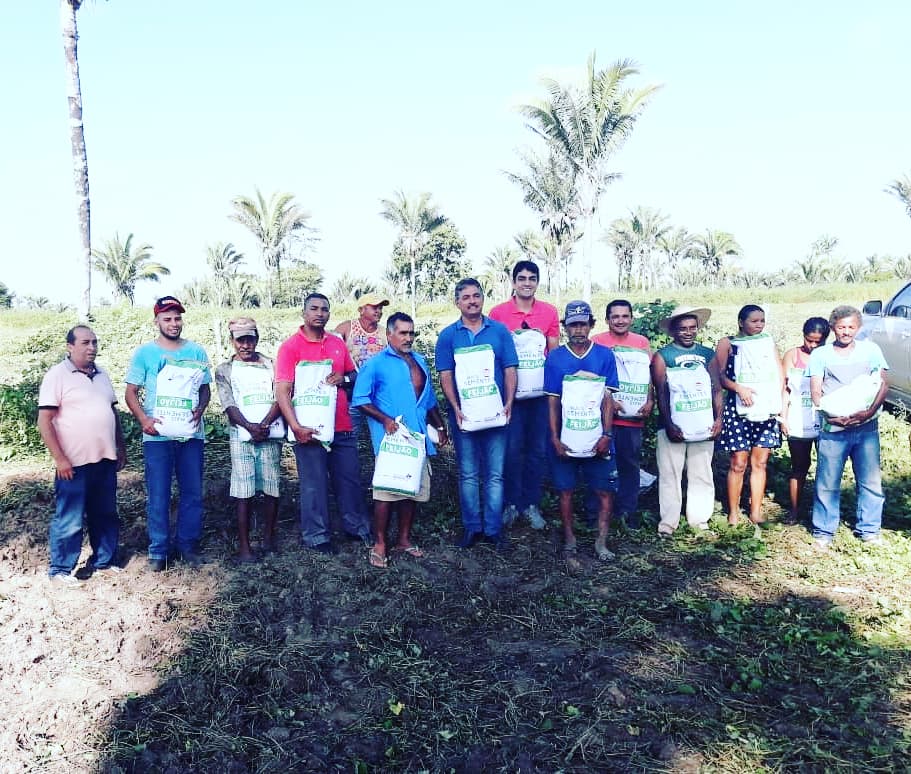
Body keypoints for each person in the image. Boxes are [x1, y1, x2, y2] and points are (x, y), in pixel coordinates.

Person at [275, 292, 371, 554]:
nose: (319, 313)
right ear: (304, 313)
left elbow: (352, 375)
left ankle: (356, 528)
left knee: (349, 480)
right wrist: (295, 427)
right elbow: (283, 391)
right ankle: (317, 537)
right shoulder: (290, 347)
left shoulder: (337, 343)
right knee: (313, 484)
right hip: (308, 428)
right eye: (314, 309)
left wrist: (345, 380)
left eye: (324, 309)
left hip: (341, 424)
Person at [352, 312, 449, 568]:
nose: (408, 338)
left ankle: (404, 539)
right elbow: (360, 399)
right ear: (389, 334)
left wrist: (440, 426)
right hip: (392, 439)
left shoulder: (419, 360)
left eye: (411, 333)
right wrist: (384, 420)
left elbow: (428, 401)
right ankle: (380, 543)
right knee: (386, 492)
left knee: (412, 490)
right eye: (403, 333)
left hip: (417, 437)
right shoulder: (375, 364)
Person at [125, 296, 211, 571]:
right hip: (157, 437)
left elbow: (205, 388)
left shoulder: (196, 352)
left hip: (190, 436)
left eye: (177, 318)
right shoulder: (144, 354)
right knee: (159, 494)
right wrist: (144, 420)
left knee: (192, 492)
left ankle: (187, 546)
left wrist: (201, 408)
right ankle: (158, 552)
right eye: (167, 319)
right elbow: (131, 393)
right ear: (157, 322)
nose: (174, 324)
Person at [37, 326, 126, 586]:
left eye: (95, 342)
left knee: (106, 513)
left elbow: (113, 413)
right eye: (85, 342)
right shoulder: (57, 375)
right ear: (70, 346)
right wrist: (60, 459)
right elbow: (45, 421)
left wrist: (120, 446)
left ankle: (104, 562)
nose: (92, 348)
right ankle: (61, 570)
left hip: (105, 459)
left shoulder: (102, 375)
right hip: (73, 463)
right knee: (70, 517)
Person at [435, 278, 518, 551]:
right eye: (466, 297)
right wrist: (456, 407)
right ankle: (472, 528)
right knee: (468, 474)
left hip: (496, 415)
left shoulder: (499, 331)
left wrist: (509, 402)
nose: (472, 301)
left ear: (483, 298)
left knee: (495, 474)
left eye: (476, 296)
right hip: (464, 417)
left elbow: (509, 369)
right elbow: (445, 375)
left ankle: (493, 529)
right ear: (457, 302)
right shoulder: (448, 336)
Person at [808, 305, 889, 549]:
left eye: (851, 327)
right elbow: (815, 388)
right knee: (828, 481)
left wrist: (869, 411)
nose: (846, 332)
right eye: (841, 327)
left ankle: (869, 530)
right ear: (833, 328)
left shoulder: (871, 350)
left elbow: (883, 384)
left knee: (870, 480)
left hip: (866, 427)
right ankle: (824, 531)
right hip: (833, 428)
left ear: (859, 327)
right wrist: (829, 414)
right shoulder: (821, 355)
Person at [545, 301, 619, 560]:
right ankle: (569, 539)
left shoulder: (604, 355)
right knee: (565, 490)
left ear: (591, 325)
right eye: (573, 324)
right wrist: (554, 437)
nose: (578, 329)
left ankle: (601, 541)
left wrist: (606, 435)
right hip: (567, 438)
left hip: (597, 437)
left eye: (583, 324)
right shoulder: (555, 358)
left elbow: (608, 398)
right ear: (565, 327)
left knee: (604, 490)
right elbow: (553, 400)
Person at [489, 260, 560, 530]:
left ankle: (531, 504)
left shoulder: (549, 312)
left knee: (537, 451)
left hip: (540, 397)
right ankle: (510, 503)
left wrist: (555, 393)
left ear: (537, 282)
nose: (527, 282)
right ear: (513, 281)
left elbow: (552, 354)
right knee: (511, 450)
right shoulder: (498, 313)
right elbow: (493, 354)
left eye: (532, 278)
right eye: (522, 278)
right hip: (511, 397)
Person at [214, 317, 283, 562]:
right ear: (232, 341)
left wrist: (263, 424)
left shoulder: (271, 365)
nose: (245, 345)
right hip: (241, 436)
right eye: (240, 340)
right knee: (244, 490)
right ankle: (245, 546)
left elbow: (280, 397)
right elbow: (228, 404)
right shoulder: (224, 370)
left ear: (257, 339)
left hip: (269, 432)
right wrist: (249, 426)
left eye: (250, 339)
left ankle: (269, 538)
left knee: (271, 486)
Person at [651, 306, 722, 536]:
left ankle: (699, 520)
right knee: (670, 474)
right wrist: (669, 424)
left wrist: (718, 418)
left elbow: (716, 389)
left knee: (702, 472)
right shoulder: (663, 356)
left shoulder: (707, 354)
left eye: (692, 328)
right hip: (673, 426)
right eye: (682, 329)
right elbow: (661, 391)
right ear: (673, 331)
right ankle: (668, 524)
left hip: (703, 425)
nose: (688, 332)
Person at [713, 305, 786, 526]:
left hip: (765, 409)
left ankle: (755, 511)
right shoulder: (728, 344)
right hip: (738, 411)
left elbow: (779, 374)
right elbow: (719, 376)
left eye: (762, 321)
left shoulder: (767, 342)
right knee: (738, 462)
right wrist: (739, 388)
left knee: (760, 462)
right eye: (754, 321)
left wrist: (777, 402)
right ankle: (733, 512)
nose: (759, 325)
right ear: (740, 322)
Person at [591, 299, 654, 529]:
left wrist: (650, 400)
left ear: (631, 318)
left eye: (624, 316)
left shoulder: (641, 342)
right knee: (600, 463)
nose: (620, 320)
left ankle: (628, 510)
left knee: (629, 462)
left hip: (632, 418)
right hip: (603, 417)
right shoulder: (596, 341)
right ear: (607, 319)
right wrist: (608, 401)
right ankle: (596, 512)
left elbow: (646, 375)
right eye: (615, 316)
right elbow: (591, 377)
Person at [781, 317, 830, 525]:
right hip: (798, 419)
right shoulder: (792, 355)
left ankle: (822, 512)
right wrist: (782, 417)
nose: (812, 345)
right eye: (809, 340)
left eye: (818, 342)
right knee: (799, 466)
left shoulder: (830, 356)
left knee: (827, 467)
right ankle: (794, 511)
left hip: (825, 420)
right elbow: (784, 388)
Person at [334, 294, 390, 433]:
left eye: (381, 308)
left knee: (383, 432)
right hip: (351, 392)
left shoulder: (385, 333)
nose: (378, 311)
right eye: (374, 307)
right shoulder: (347, 328)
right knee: (350, 433)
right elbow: (331, 350)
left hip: (377, 394)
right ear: (361, 309)